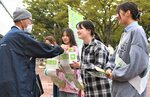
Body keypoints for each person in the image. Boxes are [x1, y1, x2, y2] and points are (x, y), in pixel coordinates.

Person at [0, 8, 64, 97]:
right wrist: (59, 48)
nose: (31, 23)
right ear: (22, 20)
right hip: (19, 85)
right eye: (30, 20)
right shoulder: (20, 36)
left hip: (5, 86)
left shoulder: (6, 38)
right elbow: (43, 49)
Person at [105, 2, 149, 97]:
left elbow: (138, 64)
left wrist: (115, 74)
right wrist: (109, 68)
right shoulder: (125, 33)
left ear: (128, 13)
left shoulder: (137, 31)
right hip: (120, 88)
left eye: (118, 13)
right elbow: (115, 57)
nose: (117, 16)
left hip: (131, 89)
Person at [70, 20, 111, 97]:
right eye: (77, 29)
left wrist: (80, 65)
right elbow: (82, 67)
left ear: (89, 31)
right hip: (89, 91)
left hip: (101, 91)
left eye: (80, 29)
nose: (77, 31)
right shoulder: (83, 47)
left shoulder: (98, 46)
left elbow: (99, 69)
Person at [58, 28, 80, 97]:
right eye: (63, 36)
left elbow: (71, 62)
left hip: (72, 84)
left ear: (71, 37)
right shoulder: (60, 48)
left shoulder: (74, 48)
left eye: (67, 36)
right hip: (62, 83)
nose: (65, 38)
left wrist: (65, 49)